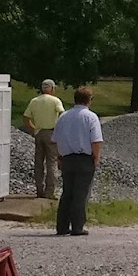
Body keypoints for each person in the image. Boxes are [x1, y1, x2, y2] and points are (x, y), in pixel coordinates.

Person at [51, 85, 105, 236]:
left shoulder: (63, 117)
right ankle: (77, 226)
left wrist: (60, 157)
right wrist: (96, 157)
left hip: (67, 158)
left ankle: (62, 226)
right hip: (84, 158)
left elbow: (56, 139)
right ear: (89, 100)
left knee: (67, 192)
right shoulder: (91, 117)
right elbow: (95, 141)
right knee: (80, 194)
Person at [21, 79, 65, 198]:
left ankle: (39, 190)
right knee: (52, 162)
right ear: (52, 88)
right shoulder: (55, 101)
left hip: (39, 132)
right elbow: (62, 114)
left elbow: (26, 118)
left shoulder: (34, 101)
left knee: (38, 162)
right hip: (51, 132)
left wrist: (33, 129)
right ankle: (50, 191)